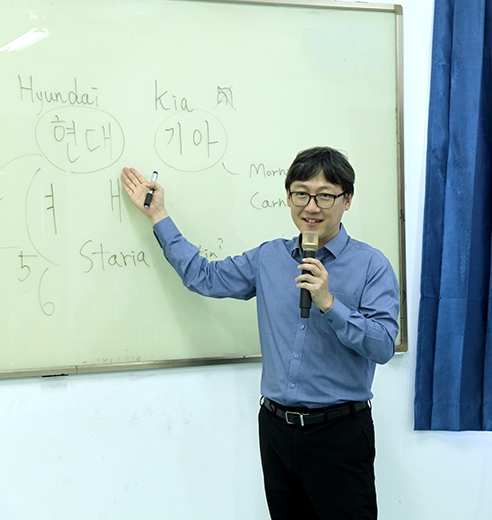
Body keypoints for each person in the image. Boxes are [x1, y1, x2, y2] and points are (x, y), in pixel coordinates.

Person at [121, 146, 399, 520]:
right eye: (301, 194)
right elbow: (204, 277)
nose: (311, 207)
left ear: (346, 200)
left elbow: (382, 346)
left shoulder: (371, 265)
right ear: (288, 196)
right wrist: (159, 215)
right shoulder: (269, 258)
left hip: (338, 433)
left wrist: (329, 303)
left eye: (325, 196)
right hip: (276, 429)